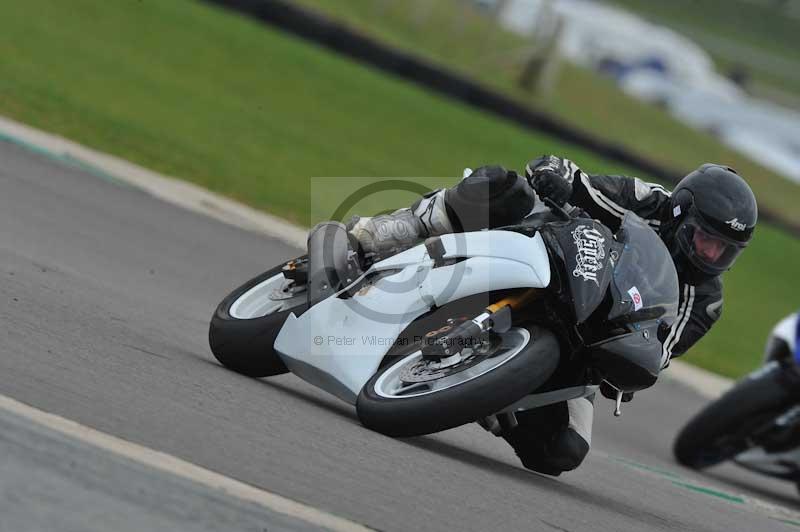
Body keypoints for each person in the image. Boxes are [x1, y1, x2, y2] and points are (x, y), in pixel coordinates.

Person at [344, 156, 758, 475]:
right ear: (680, 213)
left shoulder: (703, 302)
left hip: (585, 339)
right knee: (507, 188)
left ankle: (488, 391)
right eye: (706, 240)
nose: (712, 256)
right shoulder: (646, 199)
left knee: (563, 451)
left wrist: (631, 366)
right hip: (549, 256)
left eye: (725, 250)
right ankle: (395, 231)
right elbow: (572, 175)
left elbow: (660, 351)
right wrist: (552, 176)